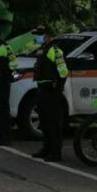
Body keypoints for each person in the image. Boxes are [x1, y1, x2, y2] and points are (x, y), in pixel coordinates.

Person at [31, 26, 68, 161]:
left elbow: (63, 71)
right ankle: (46, 148)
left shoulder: (54, 50)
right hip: (42, 89)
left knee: (53, 122)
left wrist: (57, 86)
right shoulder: (42, 50)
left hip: (51, 91)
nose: (37, 37)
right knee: (44, 121)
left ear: (47, 35)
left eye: (39, 35)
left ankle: (55, 152)